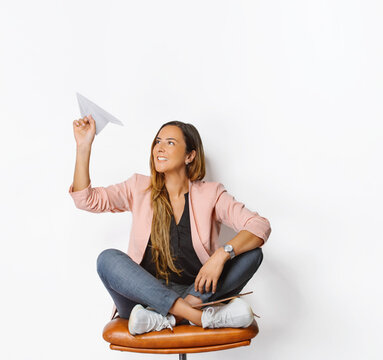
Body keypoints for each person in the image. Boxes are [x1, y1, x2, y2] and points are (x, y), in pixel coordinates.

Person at [68, 115, 271, 335]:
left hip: (195, 293)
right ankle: (196, 317)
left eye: (170, 143)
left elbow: (259, 225)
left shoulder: (211, 194)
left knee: (252, 254)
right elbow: (85, 199)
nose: (159, 148)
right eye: (157, 141)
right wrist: (83, 146)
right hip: (142, 299)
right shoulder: (137, 187)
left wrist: (222, 254)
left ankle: (168, 317)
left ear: (190, 156)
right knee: (107, 259)